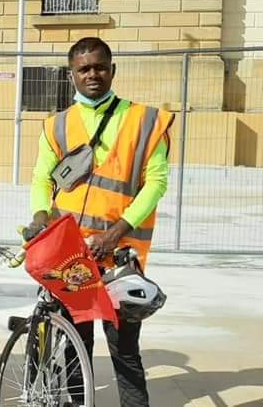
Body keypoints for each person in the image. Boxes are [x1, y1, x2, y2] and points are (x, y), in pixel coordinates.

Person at [26, 37, 174, 407]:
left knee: (125, 351)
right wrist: (41, 216)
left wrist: (115, 232)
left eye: (100, 67)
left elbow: (156, 183)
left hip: (120, 256)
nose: (93, 74)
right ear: (71, 75)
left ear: (112, 70)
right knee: (75, 344)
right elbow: (42, 179)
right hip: (70, 254)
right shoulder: (57, 126)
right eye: (84, 69)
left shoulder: (145, 121)